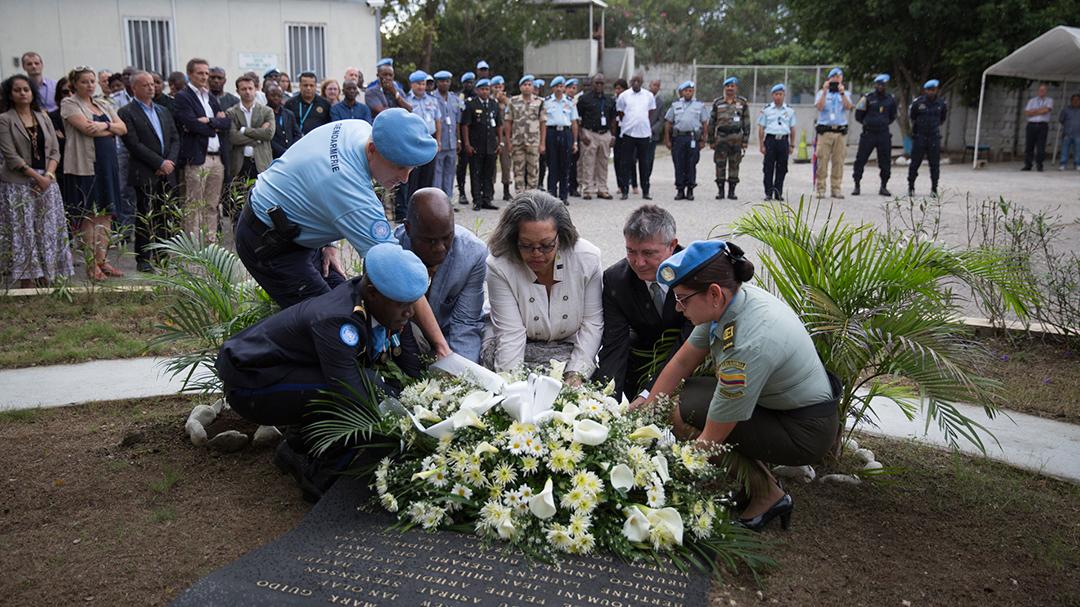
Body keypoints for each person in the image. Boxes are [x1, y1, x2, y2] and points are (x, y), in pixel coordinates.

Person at [634, 240, 840, 531]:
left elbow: (710, 439)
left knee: (681, 412)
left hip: (805, 430)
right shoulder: (730, 303)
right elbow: (682, 362)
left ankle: (768, 494)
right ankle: (751, 484)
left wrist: (670, 481)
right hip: (780, 408)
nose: (678, 308)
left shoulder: (749, 343)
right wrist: (645, 411)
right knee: (677, 399)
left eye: (682, 299)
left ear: (714, 293)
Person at [216, 242, 426, 501]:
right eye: (403, 304)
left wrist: (424, 403)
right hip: (251, 383)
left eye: (413, 303)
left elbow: (411, 368)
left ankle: (297, 446)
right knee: (362, 391)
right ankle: (318, 475)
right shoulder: (339, 320)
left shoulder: (383, 304)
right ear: (373, 293)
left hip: (283, 373)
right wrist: (409, 428)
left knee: (373, 387)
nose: (410, 312)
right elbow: (352, 397)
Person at [236, 108, 449, 360]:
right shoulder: (351, 189)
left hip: (293, 227)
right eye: (399, 167)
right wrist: (440, 345)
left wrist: (329, 243)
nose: (404, 178)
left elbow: (314, 178)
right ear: (373, 150)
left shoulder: (358, 129)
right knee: (333, 328)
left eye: (411, 169)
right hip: (269, 245)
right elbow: (398, 273)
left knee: (352, 305)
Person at [484, 190, 603, 385]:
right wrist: (511, 385)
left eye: (547, 245)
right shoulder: (499, 265)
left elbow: (592, 323)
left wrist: (576, 374)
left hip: (567, 345)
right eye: (526, 245)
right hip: (517, 346)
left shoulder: (587, 259)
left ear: (561, 236)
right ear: (513, 239)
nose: (537, 254)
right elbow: (510, 333)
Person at [596, 205, 690, 401]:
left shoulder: (694, 274)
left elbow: (689, 342)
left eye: (648, 253)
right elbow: (614, 344)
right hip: (641, 361)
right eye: (631, 251)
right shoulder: (616, 280)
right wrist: (606, 401)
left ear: (672, 245)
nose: (638, 262)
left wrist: (649, 393)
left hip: (691, 361)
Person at [396, 188, 487, 362]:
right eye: (430, 241)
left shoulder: (474, 254)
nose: (439, 248)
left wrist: (461, 370)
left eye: (447, 237)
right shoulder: (392, 250)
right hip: (405, 334)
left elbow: (465, 323)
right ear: (408, 228)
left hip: (450, 335)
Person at [0, 74, 73, 287]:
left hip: (48, 182)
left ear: (33, 93)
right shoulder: (5, 119)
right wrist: (37, 177)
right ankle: (26, 280)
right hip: (18, 183)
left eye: (26, 89)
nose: (23, 93)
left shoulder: (43, 116)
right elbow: (10, 156)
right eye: (17, 90)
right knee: (23, 231)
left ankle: (47, 276)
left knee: (47, 228)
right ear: (10, 95)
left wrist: (48, 176)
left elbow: (55, 151)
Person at [60, 66, 127, 280]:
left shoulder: (103, 103)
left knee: (106, 213)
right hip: (85, 165)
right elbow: (86, 128)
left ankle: (102, 260)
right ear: (75, 84)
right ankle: (91, 264)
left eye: (92, 81)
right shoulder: (69, 103)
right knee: (89, 215)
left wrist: (104, 125)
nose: (89, 85)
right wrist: (110, 128)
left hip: (107, 165)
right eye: (84, 82)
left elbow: (122, 128)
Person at [118, 71, 180, 273]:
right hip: (145, 171)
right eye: (145, 85)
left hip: (167, 171)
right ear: (134, 88)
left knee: (164, 215)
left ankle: (163, 256)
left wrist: (169, 162)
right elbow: (133, 144)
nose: (151, 88)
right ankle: (144, 258)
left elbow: (175, 138)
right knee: (145, 216)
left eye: (152, 84)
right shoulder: (127, 112)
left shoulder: (163, 110)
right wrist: (159, 163)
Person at [173, 58, 230, 242]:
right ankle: (193, 244)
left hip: (217, 158)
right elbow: (190, 124)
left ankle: (209, 242)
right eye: (200, 73)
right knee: (194, 204)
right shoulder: (183, 97)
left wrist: (209, 121)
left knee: (212, 204)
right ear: (190, 74)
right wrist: (214, 125)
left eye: (206, 73)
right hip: (197, 158)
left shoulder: (210, 97)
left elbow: (226, 123)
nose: (204, 77)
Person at [400, 70, 442, 219]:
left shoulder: (432, 100)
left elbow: (438, 121)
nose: (421, 87)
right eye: (418, 84)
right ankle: (412, 210)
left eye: (423, 84)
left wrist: (438, 140)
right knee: (413, 177)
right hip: (414, 141)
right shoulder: (406, 100)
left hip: (429, 140)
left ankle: (426, 208)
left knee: (428, 175)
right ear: (412, 85)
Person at [851, 74, 897, 196]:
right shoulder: (866, 98)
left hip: (883, 134)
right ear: (875, 85)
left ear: (886, 86)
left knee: (885, 161)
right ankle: (857, 185)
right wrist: (868, 123)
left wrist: (882, 123)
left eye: (883, 85)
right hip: (869, 133)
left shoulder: (890, 99)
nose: (880, 86)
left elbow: (892, 116)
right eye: (878, 84)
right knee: (860, 160)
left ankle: (883, 186)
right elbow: (858, 115)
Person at [664, 81, 709, 201]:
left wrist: (704, 139)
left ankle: (690, 190)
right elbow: (668, 123)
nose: (688, 93)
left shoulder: (699, 106)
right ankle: (680, 190)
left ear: (693, 92)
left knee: (691, 164)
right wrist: (667, 139)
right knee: (679, 164)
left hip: (693, 138)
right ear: (682, 92)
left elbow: (705, 123)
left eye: (690, 91)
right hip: (678, 138)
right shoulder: (675, 105)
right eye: (686, 91)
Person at [226, 74, 275, 184]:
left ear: (256, 89)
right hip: (239, 163)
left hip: (261, 162)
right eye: (243, 89)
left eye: (250, 88)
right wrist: (258, 137)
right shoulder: (231, 112)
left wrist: (244, 130)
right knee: (239, 193)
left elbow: (269, 134)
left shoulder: (266, 111)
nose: (247, 92)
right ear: (237, 91)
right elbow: (233, 137)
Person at [461, 78, 501, 211]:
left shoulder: (494, 104)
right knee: (476, 173)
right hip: (476, 145)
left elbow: (499, 125)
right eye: (482, 89)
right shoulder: (471, 104)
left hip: (490, 145)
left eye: (487, 89)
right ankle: (477, 200)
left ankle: (487, 199)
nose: (485, 92)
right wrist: (467, 144)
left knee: (489, 174)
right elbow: (465, 125)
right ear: (477, 90)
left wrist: (499, 142)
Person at [813, 67, 853, 199]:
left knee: (838, 161)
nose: (836, 80)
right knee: (822, 160)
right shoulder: (822, 93)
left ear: (841, 79)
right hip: (825, 131)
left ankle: (836, 189)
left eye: (838, 77)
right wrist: (825, 92)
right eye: (833, 78)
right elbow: (819, 107)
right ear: (829, 79)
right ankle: (820, 189)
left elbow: (848, 107)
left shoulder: (845, 93)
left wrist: (842, 93)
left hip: (840, 132)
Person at [615, 74, 656, 200]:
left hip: (644, 134)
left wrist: (642, 121)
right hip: (629, 133)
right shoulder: (624, 96)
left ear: (642, 82)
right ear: (630, 82)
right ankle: (625, 191)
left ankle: (646, 191)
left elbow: (651, 112)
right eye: (634, 81)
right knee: (626, 162)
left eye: (638, 81)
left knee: (644, 163)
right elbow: (620, 112)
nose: (636, 83)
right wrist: (629, 122)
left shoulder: (648, 95)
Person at [575, 73, 615, 200]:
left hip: (605, 134)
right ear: (592, 84)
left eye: (601, 83)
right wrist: (581, 135)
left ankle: (602, 189)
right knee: (588, 162)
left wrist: (613, 136)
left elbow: (613, 119)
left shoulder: (609, 100)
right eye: (597, 83)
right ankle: (587, 189)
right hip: (589, 133)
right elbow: (577, 119)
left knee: (603, 163)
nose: (599, 85)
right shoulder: (584, 99)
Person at [539, 76, 579, 205]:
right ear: (552, 88)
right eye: (556, 86)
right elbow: (543, 123)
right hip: (551, 133)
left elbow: (574, 122)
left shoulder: (569, 102)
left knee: (565, 166)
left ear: (564, 88)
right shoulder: (546, 102)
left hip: (566, 133)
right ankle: (551, 196)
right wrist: (542, 142)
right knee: (552, 165)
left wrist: (575, 142)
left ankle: (563, 196)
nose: (559, 89)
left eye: (561, 86)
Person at [709, 76, 750, 201]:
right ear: (724, 88)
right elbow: (712, 122)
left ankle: (732, 191)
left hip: (736, 138)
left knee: (734, 164)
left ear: (736, 88)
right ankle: (720, 191)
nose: (730, 88)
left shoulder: (742, 103)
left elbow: (746, 123)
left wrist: (745, 140)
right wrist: (711, 140)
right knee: (720, 164)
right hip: (721, 138)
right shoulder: (717, 103)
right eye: (727, 86)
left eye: (732, 86)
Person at [907, 79, 947, 197]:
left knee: (934, 165)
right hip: (920, 137)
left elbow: (942, 119)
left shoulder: (941, 104)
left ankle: (934, 189)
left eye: (933, 90)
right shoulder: (918, 103)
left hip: (933, 137)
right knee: (915, 164)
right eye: (929, 90)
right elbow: (913, 116)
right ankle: (911, 187)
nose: (931, 92)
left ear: (936, 90)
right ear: (925, 90)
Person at [757, 84, 797, 201]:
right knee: (768, 167)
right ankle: (768, 192)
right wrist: (761, 144)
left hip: (783, 141)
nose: (778, 96)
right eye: (776, 94)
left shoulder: (789, 110)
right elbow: (761, 128)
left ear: (784, 95)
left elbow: (793, 128)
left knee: (782, 168)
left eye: (780, 94)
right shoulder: (766, 110)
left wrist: (792, 144)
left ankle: (778, 192)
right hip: (770, 140)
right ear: (772, 95)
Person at [506, 75, 544, 194]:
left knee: (533, 170)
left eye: (529, 85)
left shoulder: (540, 102)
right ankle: (520, 195)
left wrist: (542, 143)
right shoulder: (513, 101)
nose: (527, 87)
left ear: (533, 87)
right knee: (518, 170)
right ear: (520, 87)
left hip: (533, 141)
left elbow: (543, 123)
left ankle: (531, 195)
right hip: (517, 141)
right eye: (524, 85)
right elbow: (508, 122)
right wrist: (508, 141)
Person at [431, 71, 463, 200]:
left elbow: (458, 121)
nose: (444, 83)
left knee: (450, 172)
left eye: (447, 81)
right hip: (439, 142)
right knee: (437, 173)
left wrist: (459, 140)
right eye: (441, 81)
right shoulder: (432, 98)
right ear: (437, 83)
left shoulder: (455, 99)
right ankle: (437, 201)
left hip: (452, 142)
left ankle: (448, 200)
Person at [285, 72, 332, 137]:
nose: (308, 88)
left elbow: (329, 126)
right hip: (297, 140)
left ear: (316, 86)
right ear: (300, 86)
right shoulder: (290, 104)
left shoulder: (325, 104)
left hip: (318, 139)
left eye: (311, 85)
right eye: (305, 85)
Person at [611, 78, 636, 195]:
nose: (618, 91)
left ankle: (634, 183)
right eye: (616, 88)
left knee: (631, 159)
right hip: (617, 130)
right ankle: (620, 185)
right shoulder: (613, 101)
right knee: (617, 159)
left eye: (620, 88)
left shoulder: (630, 100)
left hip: (628, 130)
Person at [491, 75, 513, 201]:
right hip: (492, 136)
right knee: (492, 165)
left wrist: (505, 101)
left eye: (500, 87)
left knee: (506, 164)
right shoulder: (489, 100)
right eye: (496, 87)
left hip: (505, 136)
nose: (498, 89)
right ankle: (490, 189)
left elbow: (515, 112)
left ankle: (506, 190)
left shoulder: (508, 101)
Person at [456, 72, 477, 206]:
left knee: (475, 168)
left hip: (475, 136)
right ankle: (462, 192)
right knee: (462, 167)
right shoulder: (459, 97)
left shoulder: (477, 96)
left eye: (471, 82)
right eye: (467, 82)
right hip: (463, 138)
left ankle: (477, 193)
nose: (469, 84)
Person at [1022, 83, 1053, 172]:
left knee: (1041, 147)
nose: (1041, 91)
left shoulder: (1049, 100)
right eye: (1040, 90)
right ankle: (1028, 165)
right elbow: (1027, 113)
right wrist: (1040, 110)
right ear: (1038, 91)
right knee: (1029, 146)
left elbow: (1046, 110)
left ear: (1046, 91)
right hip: (1031, 125)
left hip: (1042, 125)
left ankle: (1039, 165)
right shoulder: (1032, 100)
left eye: (1043, 90)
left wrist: (1034, 111)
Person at [267, 84, 301, 159]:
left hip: (290, 154)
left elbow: (297, 134)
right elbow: (267, 138)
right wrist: (282, 151)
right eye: (273, 95)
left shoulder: (289, 114)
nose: (276, 98)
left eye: (279, 95)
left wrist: (291, 149)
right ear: (267, 96)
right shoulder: (263, 114)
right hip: (272, 155)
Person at [564, 78, 581, 198]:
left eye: (574, 88)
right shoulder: (563, 101)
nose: (571, 90)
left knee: (573, 162)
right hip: (564, 132)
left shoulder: (577, 101)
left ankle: (573, 187)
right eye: (569, 88)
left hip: (574, 133)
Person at [1059, 94, 1080, 171]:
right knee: (1064, 150)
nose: (1076, 101)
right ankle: (1063, 164)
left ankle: (1077, 164)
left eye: (1077, 100)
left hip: (1078, 134)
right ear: (1071, 101)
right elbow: (1061, 120)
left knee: (1078, 150)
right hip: (1067, 133)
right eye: (1074, 100)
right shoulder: (1066, 110)